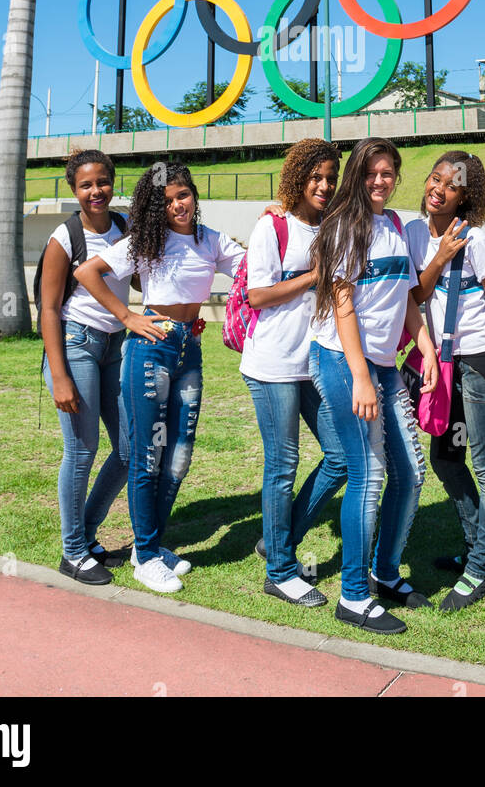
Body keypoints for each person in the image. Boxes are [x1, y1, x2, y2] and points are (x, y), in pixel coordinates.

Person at [74, 162, 245, 594]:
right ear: (156, 207)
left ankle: (148, 547)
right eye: (167, 200)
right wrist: (128, 316)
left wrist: (272, 221)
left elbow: (253, 266)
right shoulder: (146, 242)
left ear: (194, 195)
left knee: (179, 457)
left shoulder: (210, 240)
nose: (177, 205)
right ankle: (147, 556)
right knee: (148, 455)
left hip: (190, 348)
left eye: (183, 195)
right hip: (152, 348)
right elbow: (87, 272)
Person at [308, 137, 439, 636]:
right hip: (345, 360)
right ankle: (353, 595)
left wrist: (424, 346)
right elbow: (342, 306)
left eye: (388, 172)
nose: (380, 180)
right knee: (368, 472)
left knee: (410, 472)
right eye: (371, 172)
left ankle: (385, 573)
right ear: (357, 177)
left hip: (383, 364)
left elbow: (407, 297)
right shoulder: (344, 226)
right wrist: (362, 376)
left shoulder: (397, 226)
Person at [405, 151, 485, 612]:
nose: (438, 188)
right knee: (446, 458)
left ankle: (479, 568)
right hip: (440, 365)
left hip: (479, 364)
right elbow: (415, 294)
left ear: (464, 196)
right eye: (435, 178)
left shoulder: (478, 241)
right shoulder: (414, 233)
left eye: (450, 185)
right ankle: (481, 551)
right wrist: (438, 257)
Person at [241, 139, 347, 608]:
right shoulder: (273, 225)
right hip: (274, 365)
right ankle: (280, 571)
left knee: (342, 457)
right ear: (297, 176)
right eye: (316, 177)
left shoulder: (332, 225)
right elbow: (256, 296)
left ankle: (276, 538)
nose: (324, 185)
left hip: (316, 364)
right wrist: (312, 276)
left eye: (331, 177)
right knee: (282, 467)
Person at [40, 149, 130, 585]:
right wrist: (59, 376)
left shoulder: (125, 228)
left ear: (113, 183)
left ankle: (87, 536)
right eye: (86, 185)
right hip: (76, 346)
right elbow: (49, 309)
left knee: (131, 450)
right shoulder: (64, 238)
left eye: (102, 182)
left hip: (116, 347)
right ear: (74, 190)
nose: (96, 192)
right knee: (81, 451)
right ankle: (72, 551)